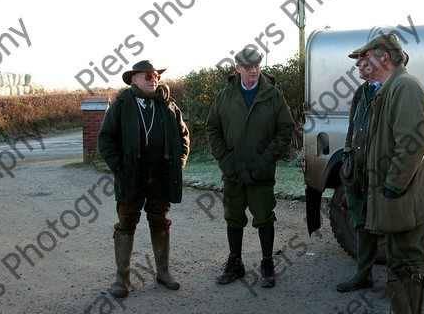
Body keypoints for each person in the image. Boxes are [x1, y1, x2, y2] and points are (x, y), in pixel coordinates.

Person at [351, 33, 424, 314]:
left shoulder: (405, 86)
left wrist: (393, 186)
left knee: (406, 264)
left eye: (366, 57)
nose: (360, 63)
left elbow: (413, 143)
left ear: (385, 58)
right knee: (398, 262)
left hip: (404, 197)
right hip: (397, 196)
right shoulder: (389, 87)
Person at [98, 60, 189, 298]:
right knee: (126, 224)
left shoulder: (169, 105)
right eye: (147, 76)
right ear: (134, 79)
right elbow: (106, 140)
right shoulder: (121, 105)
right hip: (132, 177)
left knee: (160, 221)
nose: (153, 79)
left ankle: (163, 272)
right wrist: (120, 167)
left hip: (161, 175)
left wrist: (178, 166)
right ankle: (122, 279)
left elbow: (183, 137)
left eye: (155, 75)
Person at [205, 47, 295, 288]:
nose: (254, 70)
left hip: (260, 171)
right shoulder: (224, 96)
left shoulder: (273, 96)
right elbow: (212, 127)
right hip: (233, 172)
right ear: (238, 68)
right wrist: (224, 158)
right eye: (248, 67)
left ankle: (267, 265)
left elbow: (286, 128)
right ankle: (235, 263)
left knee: (264, 218)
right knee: (233, 218)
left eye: (257, 66)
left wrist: (266, 158)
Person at [336, 54, 381, 293]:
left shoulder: (391, 91)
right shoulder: (361, 92)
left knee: (388, 223)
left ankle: (401, 283)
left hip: (380, 171)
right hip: (357, 169)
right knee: (360, 222)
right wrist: (347, 157)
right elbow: (352, 128)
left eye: (364, 62)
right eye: (359, 62)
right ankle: (364, 275)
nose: (358, 66)